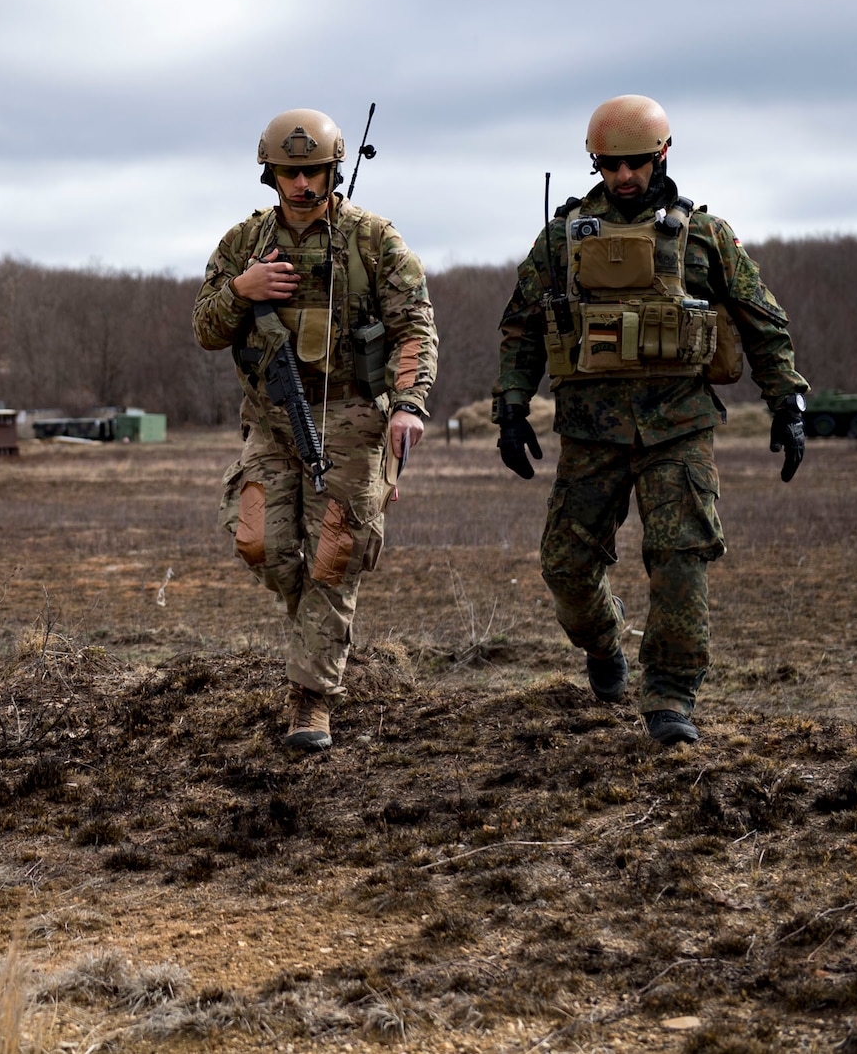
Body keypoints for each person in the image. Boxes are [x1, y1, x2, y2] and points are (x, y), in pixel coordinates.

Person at [493, 95, 807, 745]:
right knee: (565, 567)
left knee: (680, 558)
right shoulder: (562, 237)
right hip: (590, 430)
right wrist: (511, 407)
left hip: (678, 428)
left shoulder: (704, 235)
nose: (624, 176)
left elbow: (761, 318)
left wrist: (788, 402)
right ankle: (605, 644)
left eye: (635, 163)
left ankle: (669, 696)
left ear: (662, 153)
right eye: (609, 165)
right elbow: (523, 326)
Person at [195, 109, 439, 751]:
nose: (303, 184)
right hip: (272, 420)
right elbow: (205, 329)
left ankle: (311, 701)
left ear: (334, 169)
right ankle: (318, 632)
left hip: (356, 419)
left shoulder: (372, 240)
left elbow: (415, 323)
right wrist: (242, 291)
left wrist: (410, 403)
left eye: (315, 171)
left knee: (334, 557)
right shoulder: (243, 245)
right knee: (261, 545)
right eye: (290, 172)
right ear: (270, 173)